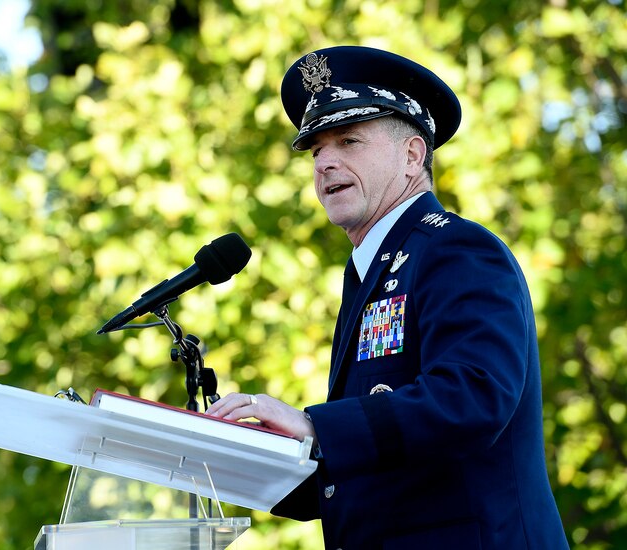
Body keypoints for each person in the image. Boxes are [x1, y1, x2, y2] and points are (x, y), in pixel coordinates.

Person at [205, 46, 569, 549]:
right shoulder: (372, 270)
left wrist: (316, 427)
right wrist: (225, 459)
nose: (325, 163)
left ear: (412, 156)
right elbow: (373, 462)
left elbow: (475, 398)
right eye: (316, 152)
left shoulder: (455, 249)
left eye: (349, 141)